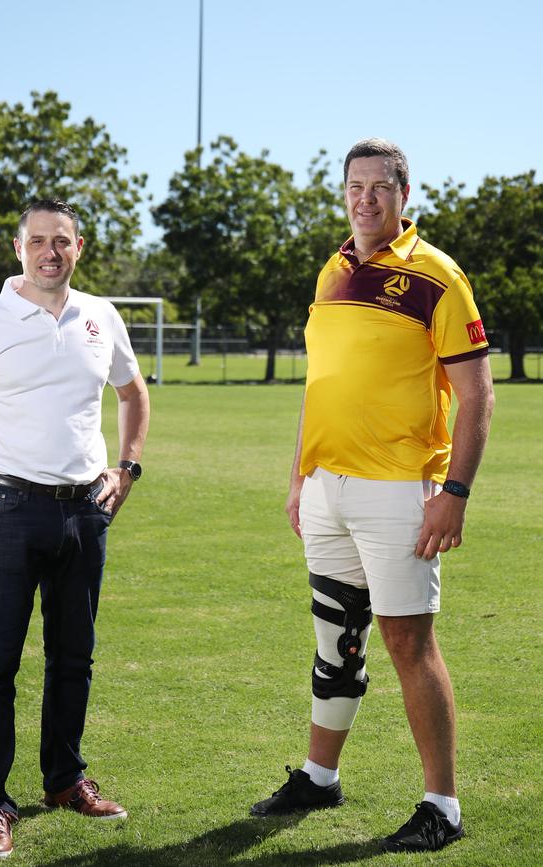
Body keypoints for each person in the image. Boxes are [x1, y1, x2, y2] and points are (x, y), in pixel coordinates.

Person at [250, 140, 494, 853]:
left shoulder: (438, 276)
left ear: (403, 193)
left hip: (402, 491)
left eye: (378, 188)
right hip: (326, 489)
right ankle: (319, 776)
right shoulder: (331, 271)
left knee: (407, 641)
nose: (364, 199)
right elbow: (319, 385)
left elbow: (477, 395)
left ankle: (441, 805)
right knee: (336, 637)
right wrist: (300, 476)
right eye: (354, 187)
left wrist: (455, 493)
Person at [0, 199, 150, 859]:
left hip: (86, 512)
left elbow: (134, 394)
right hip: (2, 511)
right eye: (38, 241)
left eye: (62, 241)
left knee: (74, 657)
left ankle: (63, 779)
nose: (50, 251)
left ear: (78, 247)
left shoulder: (100, 316)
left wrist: (128, 468)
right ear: (19, 247)